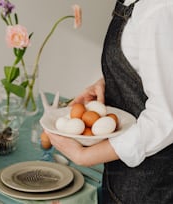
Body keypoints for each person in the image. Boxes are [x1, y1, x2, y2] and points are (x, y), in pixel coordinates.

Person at [45, 0, 173, 203]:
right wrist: (109, 82)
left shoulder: (159, 11)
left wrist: (84, 156)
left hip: (151, 188)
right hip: (119, 180)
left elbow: (166, 118)